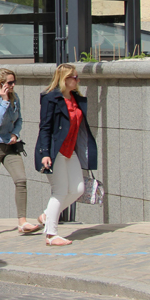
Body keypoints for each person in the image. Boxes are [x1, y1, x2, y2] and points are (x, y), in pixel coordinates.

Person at [35, 64, 98, 247]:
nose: (77, 80)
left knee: (78, 189)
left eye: (77, 77)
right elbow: (45, 128)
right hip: (55, 151)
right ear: (64, 79)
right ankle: (51, 235)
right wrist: (45, 153)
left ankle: (47, 215)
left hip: (71, 151)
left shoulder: (76, 98)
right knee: (60, 191)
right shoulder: (51, 98)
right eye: (74, 77)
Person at [0, 68, 41, 238]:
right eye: (10, 83)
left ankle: (22, 222)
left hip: (10, 146)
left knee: (21, 180)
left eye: (14, 82)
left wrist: (15, 134)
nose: (13, 85)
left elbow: (19, 119)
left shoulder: (16, 98)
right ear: (0, 84)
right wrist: (5, 100)